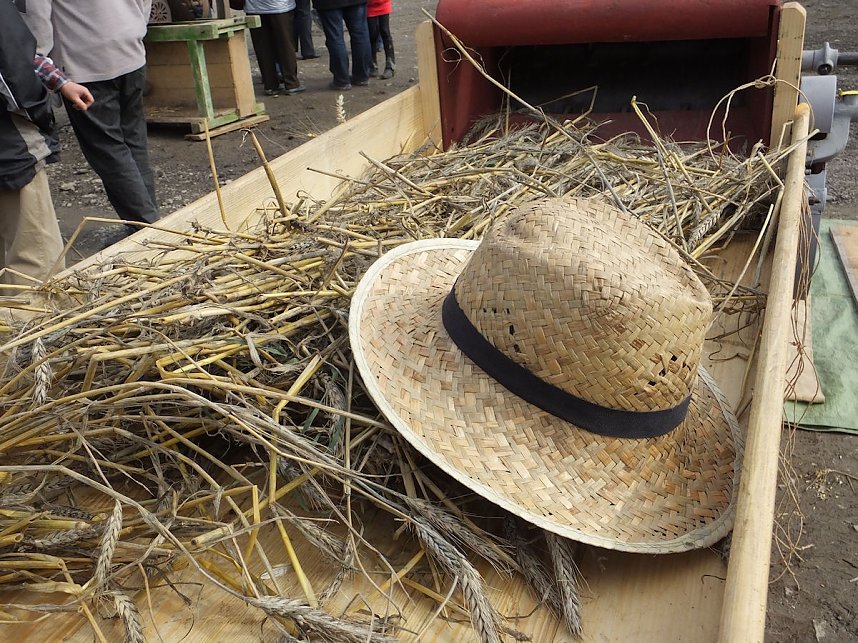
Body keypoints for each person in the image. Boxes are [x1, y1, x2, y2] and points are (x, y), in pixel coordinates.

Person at [23, 0, 160, 230]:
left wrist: (43, 62)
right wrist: (135, 28)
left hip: (85, 65)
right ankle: (152, 220)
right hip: (130, 49)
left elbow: (36, 23)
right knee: (134, 142)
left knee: (109, 150)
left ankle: (148, 227)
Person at [0, 1, 91, 294]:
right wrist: (37, 111)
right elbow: (13, 67)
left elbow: (21, 53)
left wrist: (60, 82)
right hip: (9, 140)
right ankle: (28, 325)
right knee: (34, 255)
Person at [245, 0, 306, 97]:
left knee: (263, 48)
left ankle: (270, 85)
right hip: (280, 7)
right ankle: (291, 83)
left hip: (254, 8)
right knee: (286, 45)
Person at [312, 0, 371, 91]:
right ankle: (361, 76)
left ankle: (342, 80)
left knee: (335, 38)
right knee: (360, 35)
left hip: (328, 4)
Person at [366, 0, 394, 79]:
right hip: (369, 6)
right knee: (372, 35)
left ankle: (390, 66)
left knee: (385, 33)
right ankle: (373, 66)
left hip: (383, 4)